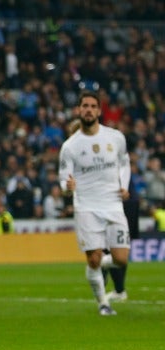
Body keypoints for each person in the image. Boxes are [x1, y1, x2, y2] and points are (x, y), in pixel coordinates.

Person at [59, 91, 131, 316]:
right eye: (85, 106)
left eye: (92, 106)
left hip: (113, 204)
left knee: (120, 259)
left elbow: (125, 163)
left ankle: (95, 268)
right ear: (79, 110)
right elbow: (63, 178)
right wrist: (66, 188)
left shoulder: (115, 137)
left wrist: (125, 185)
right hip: (87, 207)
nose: (88, 110)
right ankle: (103, 303)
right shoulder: (70, 146)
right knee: (94, 257)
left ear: (99, 111)